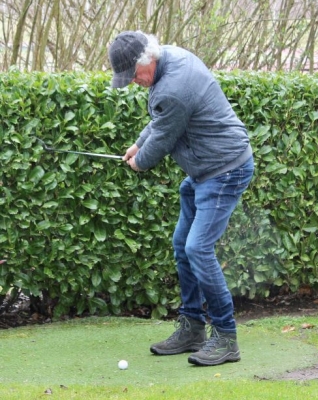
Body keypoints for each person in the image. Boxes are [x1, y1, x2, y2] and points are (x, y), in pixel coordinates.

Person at [108, 30, 254, 366]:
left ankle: (226, 338)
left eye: (133, 76)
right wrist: (137, 143)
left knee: (197, 248)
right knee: (182, 244)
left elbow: (163, 133)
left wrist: (139, 159)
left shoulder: (173, 86)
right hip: (204, 171)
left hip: (224, 169)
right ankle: (192, 328)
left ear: (148, 61)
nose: (133, 82)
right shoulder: (169, 58)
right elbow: (161, 122)